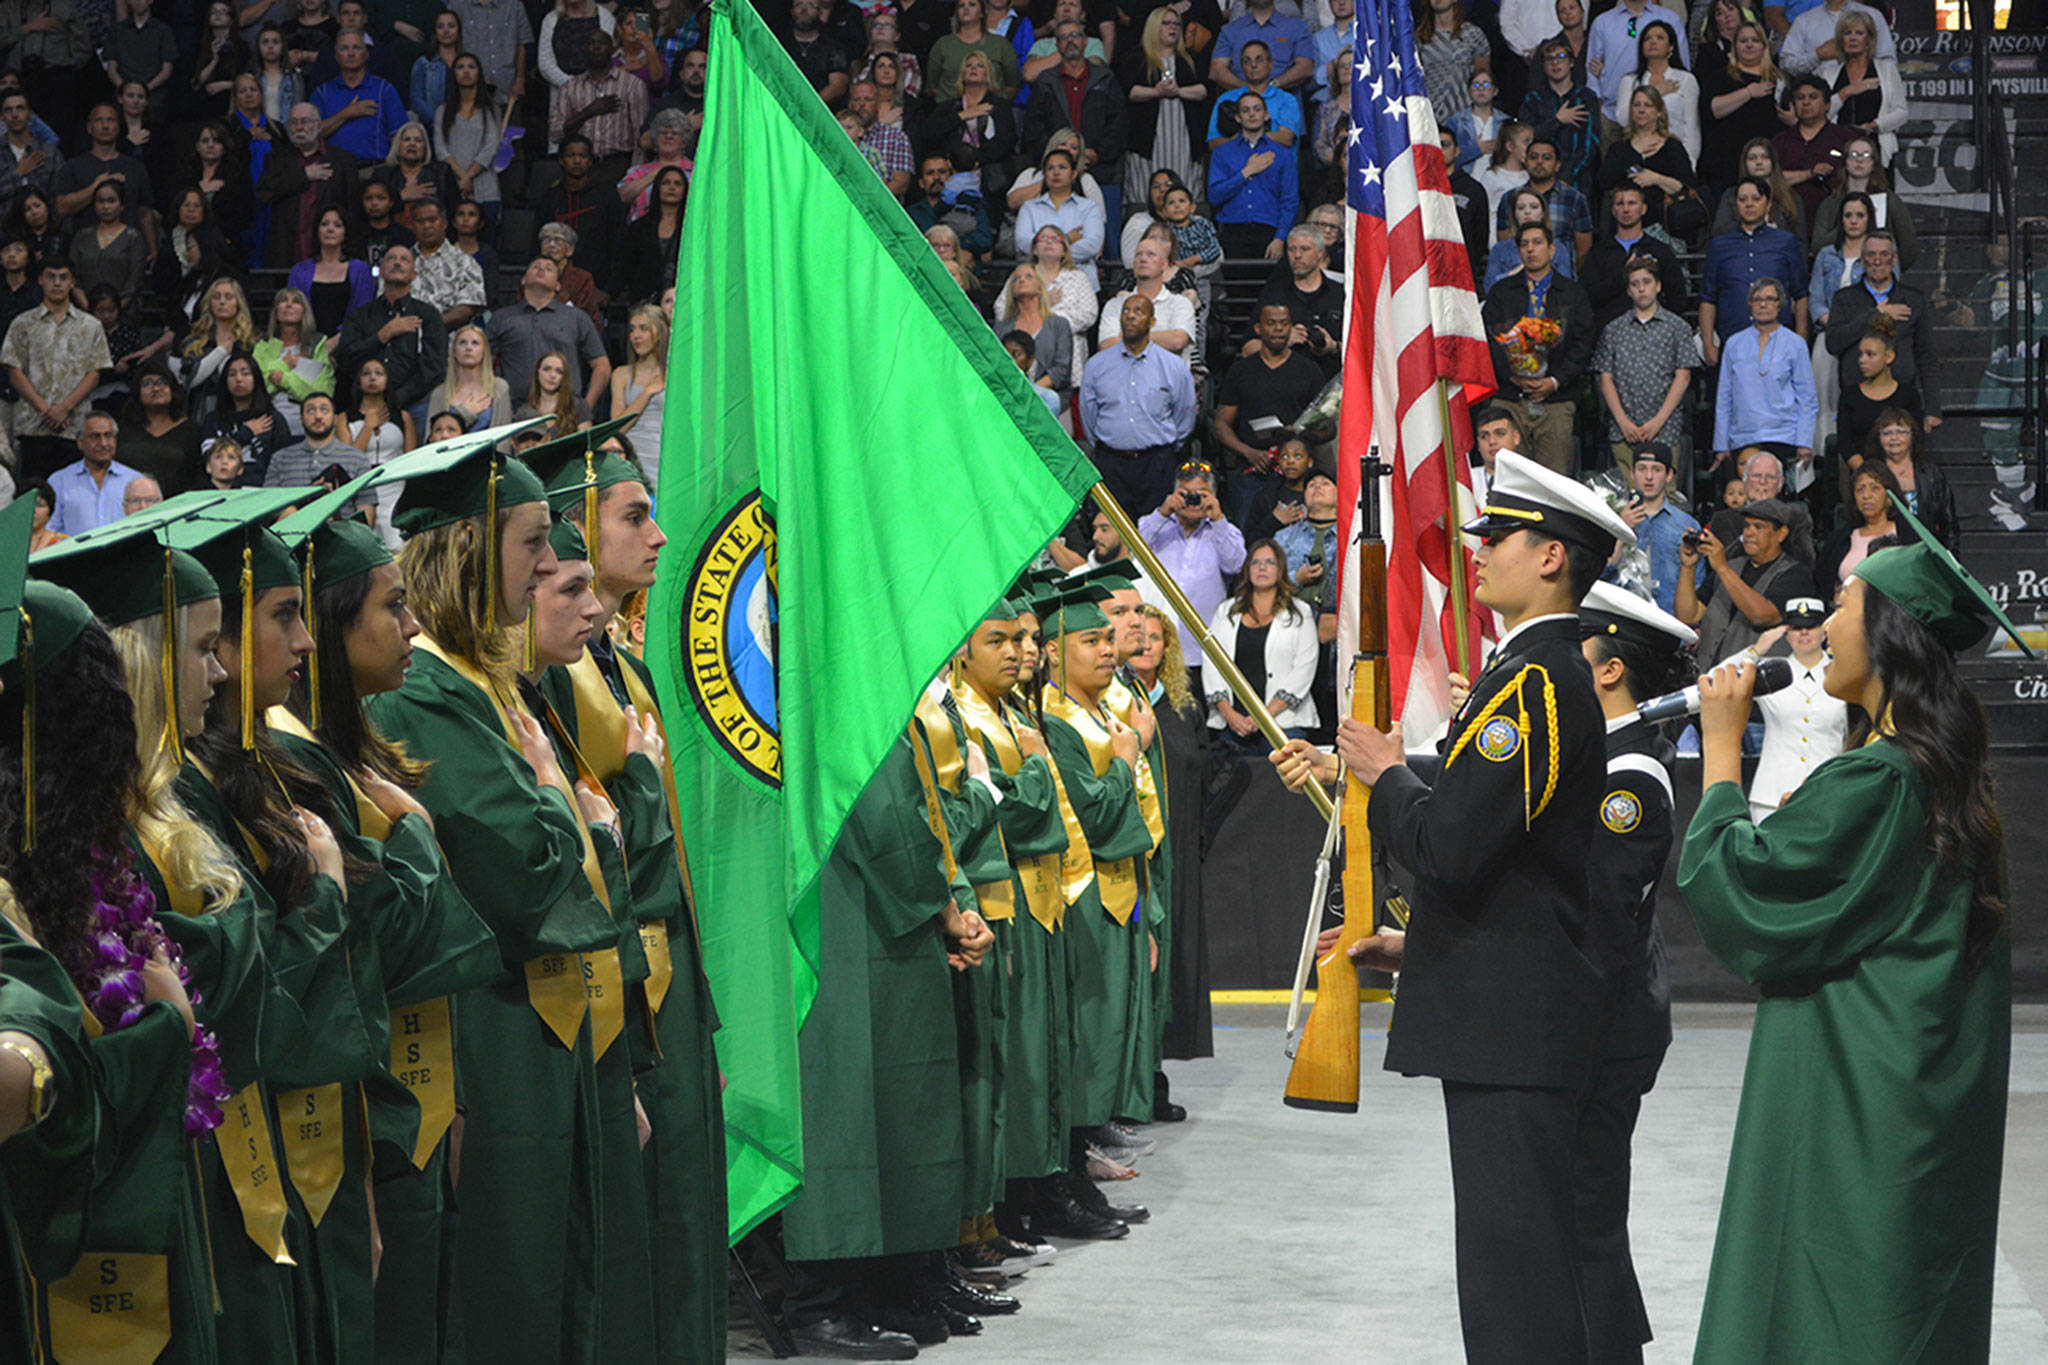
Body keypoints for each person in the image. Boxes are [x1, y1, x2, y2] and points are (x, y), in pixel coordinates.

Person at [1272, 451, 1635, 1364]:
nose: (1479, 551)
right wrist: (1421, 939)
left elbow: (1452, 847)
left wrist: (1386, 774)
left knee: (1515, 1284)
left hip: (1515, 1024)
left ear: (1552, 556)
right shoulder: (1534, 675)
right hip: (1514, 1010)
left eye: (1499, 536)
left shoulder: (1538, 680)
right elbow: (1509, 852)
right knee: (1520, 1266)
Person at [1681, 516, 2012, 1363]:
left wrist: (1722, 754)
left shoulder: (1879, 778)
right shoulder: (1936, 771)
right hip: (1906, 1099)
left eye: (1843, 602)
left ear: (1892, 632)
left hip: (1850, 1108)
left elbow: (1744, 894)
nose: (1823, 625)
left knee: (1831, 1314)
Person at [361, 439, 626, 1364]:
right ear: (469, 551)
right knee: (508, 1291)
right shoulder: (425, 696)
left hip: (541, 1018)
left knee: (555, 1277)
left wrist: (569, 814)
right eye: (528, 545)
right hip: (487, 1030)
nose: (546, 565)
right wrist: (560, 797)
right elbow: (524, 866)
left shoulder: (495, 685)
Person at [523, 435, 731, 1363]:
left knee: (686, 1199)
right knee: (643, 1216)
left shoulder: (623, 664)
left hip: (666, 955)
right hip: (617, 969)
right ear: (572, 525)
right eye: (632, 516)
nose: (656, 537)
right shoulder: (552, 677)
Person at [1569, 581, 1694, 1362]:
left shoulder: (1629, 776)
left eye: (1577, 656)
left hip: (1603, 1029)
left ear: (1611, 670)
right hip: (1602, 1021)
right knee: (1575, 1213)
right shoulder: (1603, 755)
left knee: (1586, 1216)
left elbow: (1598, 920)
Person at [1482, 221, 1595, 474]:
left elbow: (1583, 343)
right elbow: (1488, 340)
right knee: (1509, 477)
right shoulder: (1502, 292)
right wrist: (1511, 376)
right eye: (1524, 244)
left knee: (1554, 480)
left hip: (1556, 398)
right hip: (1510, 397)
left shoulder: (1572, 293)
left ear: (1552, 250)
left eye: (1537, 243)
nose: (1531, 249)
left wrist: (1555, 380)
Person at [1078, 293, 1197, 517]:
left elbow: (1185, 414)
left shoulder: (1173, 366)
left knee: (1158, 534)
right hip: (1111, 462)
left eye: (1138, 311)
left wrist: (1166, 450)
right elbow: (1089, 415)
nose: (1130, 316)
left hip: (1156, 464)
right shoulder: (1097, 365)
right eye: (1126, 311)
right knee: (1113, 533)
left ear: (1152, 322)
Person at [1214, 301, 1327, 521]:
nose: (1277, 328)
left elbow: (1328, 428)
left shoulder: (1308, 369)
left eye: (1284, 323)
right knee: (1247, 537)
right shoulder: (1241, 370)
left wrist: (1301, 436)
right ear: (1258, 329)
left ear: (1291, 327)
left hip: (1298, 475)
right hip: (1252, 470)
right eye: (1271, 323)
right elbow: (1221, 424)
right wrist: (1248, 452)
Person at [2, 258, 108, 485]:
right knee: (33, 495)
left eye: (63, 277)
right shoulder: (22, 323)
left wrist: (64, 409)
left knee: (72, 492)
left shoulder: (91, 326)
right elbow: (14, 370)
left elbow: (95, 372)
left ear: (72, 282)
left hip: (75, 425)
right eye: (51, 276)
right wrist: (46, 410)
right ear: (40, 280)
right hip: (33, 425)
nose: (57, 283)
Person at [1203, 537, 1318, 745]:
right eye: (1255, 562)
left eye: (1270, 562)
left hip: (1284, 724)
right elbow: (1212, 663)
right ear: (1247, 570)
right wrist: (1229, 714)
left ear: (1280, 569)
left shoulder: (1300, 612)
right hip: (1233, 724)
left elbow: (1304, 668)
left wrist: (1263, 716)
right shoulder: (1226, 611)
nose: (1262, 567)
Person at [1138, 462, 1245, 679]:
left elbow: (1235, 565)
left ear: (1213, 497)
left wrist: (1218, 519)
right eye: (1186, 494)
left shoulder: (1226, 531)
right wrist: (1163, 512)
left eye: (1201, 494)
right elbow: (1133, 550)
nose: (1193, 501)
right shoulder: (1155, 525)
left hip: (1203, 647)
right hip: (1155, 644)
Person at [1677, 496, 1817, 661]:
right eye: (1747, 526)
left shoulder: (1796, 574)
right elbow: (1688, 616)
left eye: (1758, 527)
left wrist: (1722, 568)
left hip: (1759, 679)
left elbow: (1761, 616)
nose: (1749, 533)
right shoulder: (1733, 566)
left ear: (1781, 533)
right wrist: (1688, 566)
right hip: (1711, 675)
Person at [1823, 231, 1937, 432]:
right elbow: (1833, 342)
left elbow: (1926, 355)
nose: (1877, 261)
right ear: (1863, 260)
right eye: (1871, 255)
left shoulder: (1913, 299)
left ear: (1894, 260)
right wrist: (1875, 315)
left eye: (1884, 255)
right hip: (1856, 401)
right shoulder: (1844, 298)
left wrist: (1933, 408)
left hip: (1901, 401)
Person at [1698, 178, 1807, 363]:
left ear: (1768, 204)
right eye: (1742, 199)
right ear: (1735, 205)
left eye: (1756, 199)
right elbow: (1708, 298)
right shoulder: (1719, 246)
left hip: (1779, 342)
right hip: (1731, 339)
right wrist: (1708, 343)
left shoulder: (1786, 242)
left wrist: (1801, 341)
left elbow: (1801, 294)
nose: (1749, 204)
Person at [335, 241, 447, 418]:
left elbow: (434, 367)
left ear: (414, 274)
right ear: (380, 269)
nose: (397, 263)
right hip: (364, 402)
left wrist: (396, 398)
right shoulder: (361, 314)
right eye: (391, 259)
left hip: (415, 403)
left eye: (404, 260)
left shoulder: (427, 314)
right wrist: (382, 335)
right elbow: (345, 358)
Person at [487, 253, 611, 405]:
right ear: (523, 280)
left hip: (565, 411)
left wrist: (586, 406)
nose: (541, 270)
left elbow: (602, 365)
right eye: (536, 266)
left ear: (558, 285)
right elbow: (482, 365)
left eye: (549, 269)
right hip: (515, 411)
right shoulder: (502, 317)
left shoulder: (577, 317)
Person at [256, 102, 365, 269]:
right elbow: (264, 193)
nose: (299, 127)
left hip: (332, 258)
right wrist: (303, 176)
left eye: (305, 121)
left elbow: (353, 212)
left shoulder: (343, 161)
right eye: (293, 122)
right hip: (287, 255)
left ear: (319, 125)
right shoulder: (276, 158)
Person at [1119, 8, 1205, 212]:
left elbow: (1203, 90)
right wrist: (1156, 92)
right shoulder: (1137, 57)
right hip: (1147, 140)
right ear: (1154, 27)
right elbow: (1129, 91)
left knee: (1184, 185)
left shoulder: (1189, 59)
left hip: (1183, 139)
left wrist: (1178, 91)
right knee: (1146, 191)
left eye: (1176, 24)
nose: (1172, 28)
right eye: (1166, 23)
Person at [1593, 86, 1702, 235]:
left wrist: (1656, 179)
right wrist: (1636, 151)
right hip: (1625, 228)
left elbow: (1688, 188)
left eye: (1648, 105)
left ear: (1659, 112)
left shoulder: (1672, 147)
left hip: (1666, 228)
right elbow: (1604, 182)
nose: (1641, 110)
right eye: (1637, 105)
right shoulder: (1619, 148)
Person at [1207, 90, 1297, 261]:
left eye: (1257, 109)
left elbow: (1289, 201)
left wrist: (1280, 238)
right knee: (1234, 288)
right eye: (1246, 110)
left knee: (1269, 287)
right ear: (1238, 118)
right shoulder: (1222, 153)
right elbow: (1214, 196)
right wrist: (1246, 172)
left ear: (1266, 115)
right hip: (1233, 231)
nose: (1252, 114)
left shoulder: (1282, 155)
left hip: (1269, 232)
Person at [1696, 21, 1782, 198]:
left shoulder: (1779, 79)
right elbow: (1712, 110)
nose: (1749, 45)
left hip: (1764, 167)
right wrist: (1748, 92)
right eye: (1743, 41)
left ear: (1764, 46)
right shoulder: (1719, 77)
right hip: (1724, 167)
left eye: (1755, 40)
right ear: (1735, 46)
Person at [1615, 441, 1701, 614]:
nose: (1648, 477)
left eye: (1656, 470)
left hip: (1670, 621)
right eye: (1642, 469)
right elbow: (1601, 573)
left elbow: (1698, 582)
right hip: (1623, 618)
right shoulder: (1614, 518)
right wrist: (1621, 530)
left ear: (1669, 475)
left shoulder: (1687, 525)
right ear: (1632, 472)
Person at [1808, 131, 1915, 266]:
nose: (1859, 160)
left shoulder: (1889, 200)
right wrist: (1846, 225)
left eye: (1866, 155)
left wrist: (1891, 271)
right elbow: (1817, 247)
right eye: (1853, 155)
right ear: (1845, 162)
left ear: (1873, 163)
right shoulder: (1830, 203)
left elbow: (1909, 245)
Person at [1859, 406, 1956, 550]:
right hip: (1883, 550)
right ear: (1878, 438)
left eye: (1901, 432)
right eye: (1887, 433)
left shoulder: (1932, 474)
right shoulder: (1870, 474)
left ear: (1912, 436)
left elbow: (1948, 523)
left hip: (1926, 550)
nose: (1894, 438)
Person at [1835, 312, 1921, 464]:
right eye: (1860, 354)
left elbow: (1916, 440)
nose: (1862, 360)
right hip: (1862, 475)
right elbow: (1845, 443)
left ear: (1889, 357)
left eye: (1870, 355)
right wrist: (1868, 473)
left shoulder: (1908, 395)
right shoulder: (1850, 395)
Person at [1517, 43, 1597, 202]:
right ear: (1544, 66)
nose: (1555, 63)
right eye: (1549, 59)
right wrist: (1557, 121)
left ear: (1571, 62)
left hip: (1577, 183)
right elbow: (1525, 140)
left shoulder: (1586, 97)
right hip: (1538, 182)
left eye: (1561, 57)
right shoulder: (1533, 99)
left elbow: (1590, 145)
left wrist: (1565, 178)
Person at [1770, 74, 1850, 232]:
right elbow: (1770, 179)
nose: (1806, 102)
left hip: (1833, 223)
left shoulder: (1845, 138)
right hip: (1788, 222)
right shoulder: (1780, 141)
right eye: (1800, 98)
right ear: (1793, 104)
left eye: (1813, 97)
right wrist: (1810, 173)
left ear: (1827, 105)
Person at [534, 135, 623, 275]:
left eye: (583, 156)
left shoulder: (607, 196)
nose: (577, 161)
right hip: (556, 278)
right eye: (571, 156)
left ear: (590, 161)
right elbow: (537, 241)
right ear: (561, 161)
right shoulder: (549, 199)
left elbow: (617, 241)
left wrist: (608, 291)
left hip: (598, 279)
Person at [256, 287, 337, 436]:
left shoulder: (317, 345)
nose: (289, 305)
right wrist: (285, 364)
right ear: (276, 311)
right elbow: (258, 388)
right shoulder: (263, 345)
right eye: (283, 301)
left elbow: (323, 392)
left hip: (310, 427)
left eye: (296, 302)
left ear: (304, 311)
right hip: (268, 427)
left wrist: (284, 379)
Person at [436, 52, 506, 222]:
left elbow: (491, 146)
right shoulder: (442, 112)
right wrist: (462, 177)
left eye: (471, 67)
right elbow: (440, 149)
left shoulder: (492, 109)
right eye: (460, 67)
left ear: (479, 74)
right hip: (454, 187)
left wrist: (468, 176)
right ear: (453, 74)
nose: (466, 71)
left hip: (486, 188)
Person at [290, 204, 377, 337]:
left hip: (349, 344)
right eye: (325, 224)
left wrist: (336, 342)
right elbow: (292, 313)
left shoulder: (360, 270)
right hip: (307, 345)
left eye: (338, 225)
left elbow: (363, 312)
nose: (330, 229)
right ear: (317, 230)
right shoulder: (299, 271)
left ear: (346, 233)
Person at [997, 263, 1074, 411]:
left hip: (1051, 400)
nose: (1021, 280)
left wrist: (1030, 391)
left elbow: (1061, 369)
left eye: (1028, 276)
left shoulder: (1059, 325)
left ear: (1039, 288)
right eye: (1016, 278)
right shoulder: (1002, 328)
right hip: (1011, 399)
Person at [1815, 454, 1897, 591]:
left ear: (1889, 496)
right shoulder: (1839, 539)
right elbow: (1822, 584)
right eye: (1860, 489)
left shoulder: (1908, 535)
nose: (1866, 496)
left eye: (1875, 488)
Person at [45, 409, 133, 533]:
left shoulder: (134, 480)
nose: (103, 443)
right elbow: (49, 531)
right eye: (95, 436)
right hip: (75, 552)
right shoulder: (59, 481)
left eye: (108, 435)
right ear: (80, 442)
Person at [407, 196, 485, 329]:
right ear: (412, 225)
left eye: (432, 220)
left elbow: (467, 309)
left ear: (444, 223)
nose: (426, 225)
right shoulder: (400, 262)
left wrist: (430, 329)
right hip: (405, 343)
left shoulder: (465, 262)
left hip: (448, 343)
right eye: (420, 221)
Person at [610, 304, 667, 475]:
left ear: (660, 333)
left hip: (664, 456)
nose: (636, 336)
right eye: (632, 330)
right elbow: (617, 427)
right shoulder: (621, 375)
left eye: (643, 329)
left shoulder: (674, 374)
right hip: (632, 456)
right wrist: (647, 392)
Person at [515, 347, 591, 435]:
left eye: (559, 371)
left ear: (564, 378)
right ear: (537, 372)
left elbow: (587, 441)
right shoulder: (524, 412)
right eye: (547, 369)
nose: (552, 375)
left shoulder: (578, 406)